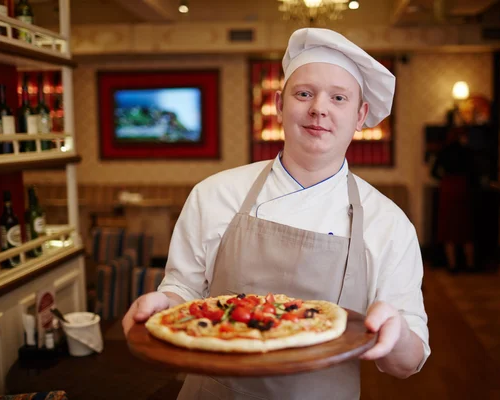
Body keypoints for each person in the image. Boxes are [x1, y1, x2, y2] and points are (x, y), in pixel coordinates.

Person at [123, 28, 430, 399]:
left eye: (338, 97)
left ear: (360, 114)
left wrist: (393, 328)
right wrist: (163, 303)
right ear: (280, 105)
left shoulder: (390, 224)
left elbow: (406, 364)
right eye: (304, 93)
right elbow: (183, 293)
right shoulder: (215, 193)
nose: (319, 108)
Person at [431, 127, 476, 272]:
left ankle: (452, 265)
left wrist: (443, 179)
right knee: (465, 228)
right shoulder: (466, 151)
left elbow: (433, 172)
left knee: (448, 228)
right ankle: (470, 264)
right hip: (463, 188)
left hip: (448, 188)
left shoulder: (443, 151)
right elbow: (474, 171)